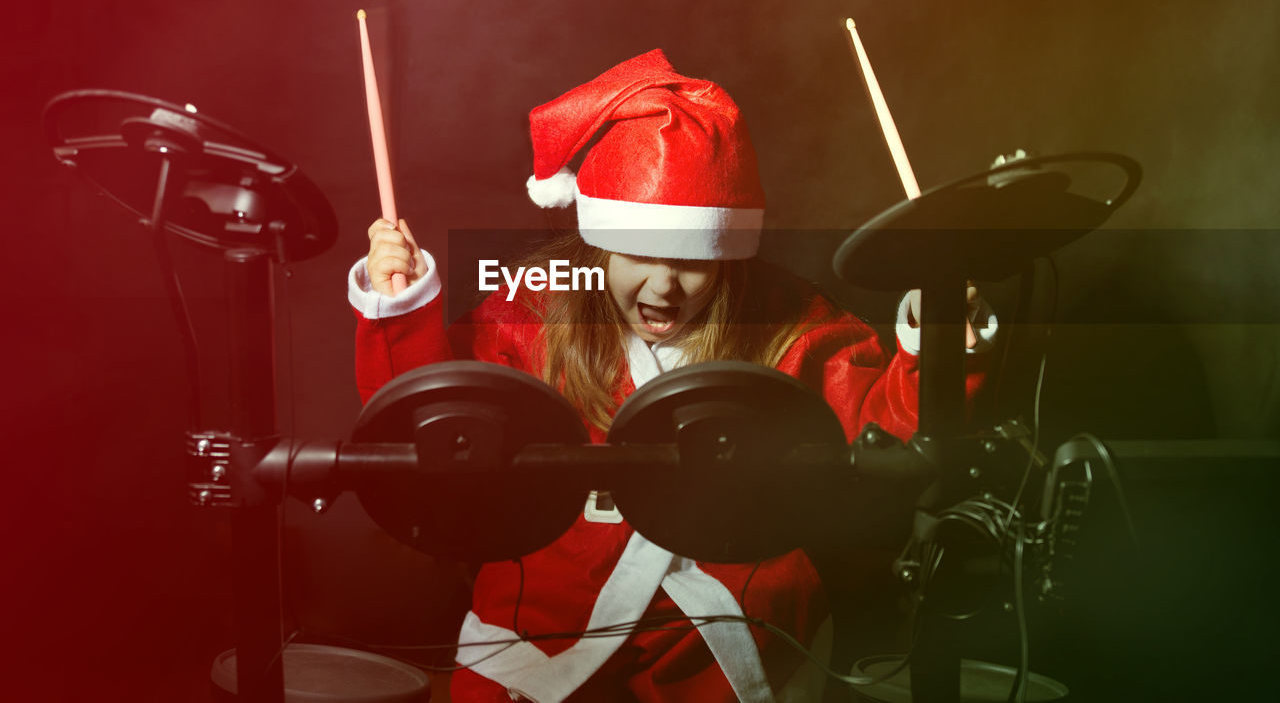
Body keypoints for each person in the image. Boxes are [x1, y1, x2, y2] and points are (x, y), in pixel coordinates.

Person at [348, 49, 996, 702]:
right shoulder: (532, 305)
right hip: (546, 620)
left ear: (727, 256)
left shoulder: (788, 320)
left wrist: (942, 339)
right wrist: (399, 313)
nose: (664, 286)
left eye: (691, 261)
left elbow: (894, 427)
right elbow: (427, 428)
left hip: (731, 624)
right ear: (597, 242)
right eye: (636, 254)